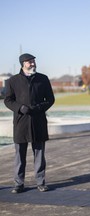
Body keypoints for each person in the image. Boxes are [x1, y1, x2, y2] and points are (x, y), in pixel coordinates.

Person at [4, 53, 55, 193]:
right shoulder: (12, 81)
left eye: (33, 61)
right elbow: (8, 100)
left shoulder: (43, 79)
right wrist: (20, 108)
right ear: (23, 64)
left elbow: (50, 99)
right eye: (30, 62)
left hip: (38, 121)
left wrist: (40, 108)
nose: (33, 63)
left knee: (39, 154)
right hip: (21, 123)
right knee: (19, 155)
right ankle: (18, 184)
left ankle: (41, 182)